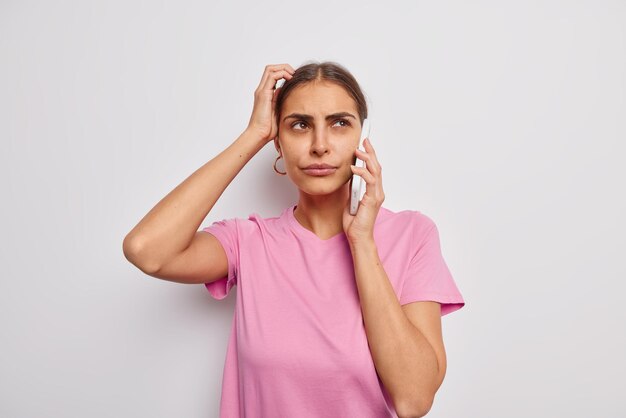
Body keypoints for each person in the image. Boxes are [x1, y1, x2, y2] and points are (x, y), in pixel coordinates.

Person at [123, 61, 466, 418]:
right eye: (300, 125)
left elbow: (414, 400)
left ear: (362, 138)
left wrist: (362, 241)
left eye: (339, 123)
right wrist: (253, 134)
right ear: (278, 141)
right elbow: (146, 250)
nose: (320, 145)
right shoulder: (248, 241)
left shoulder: (412, 235)